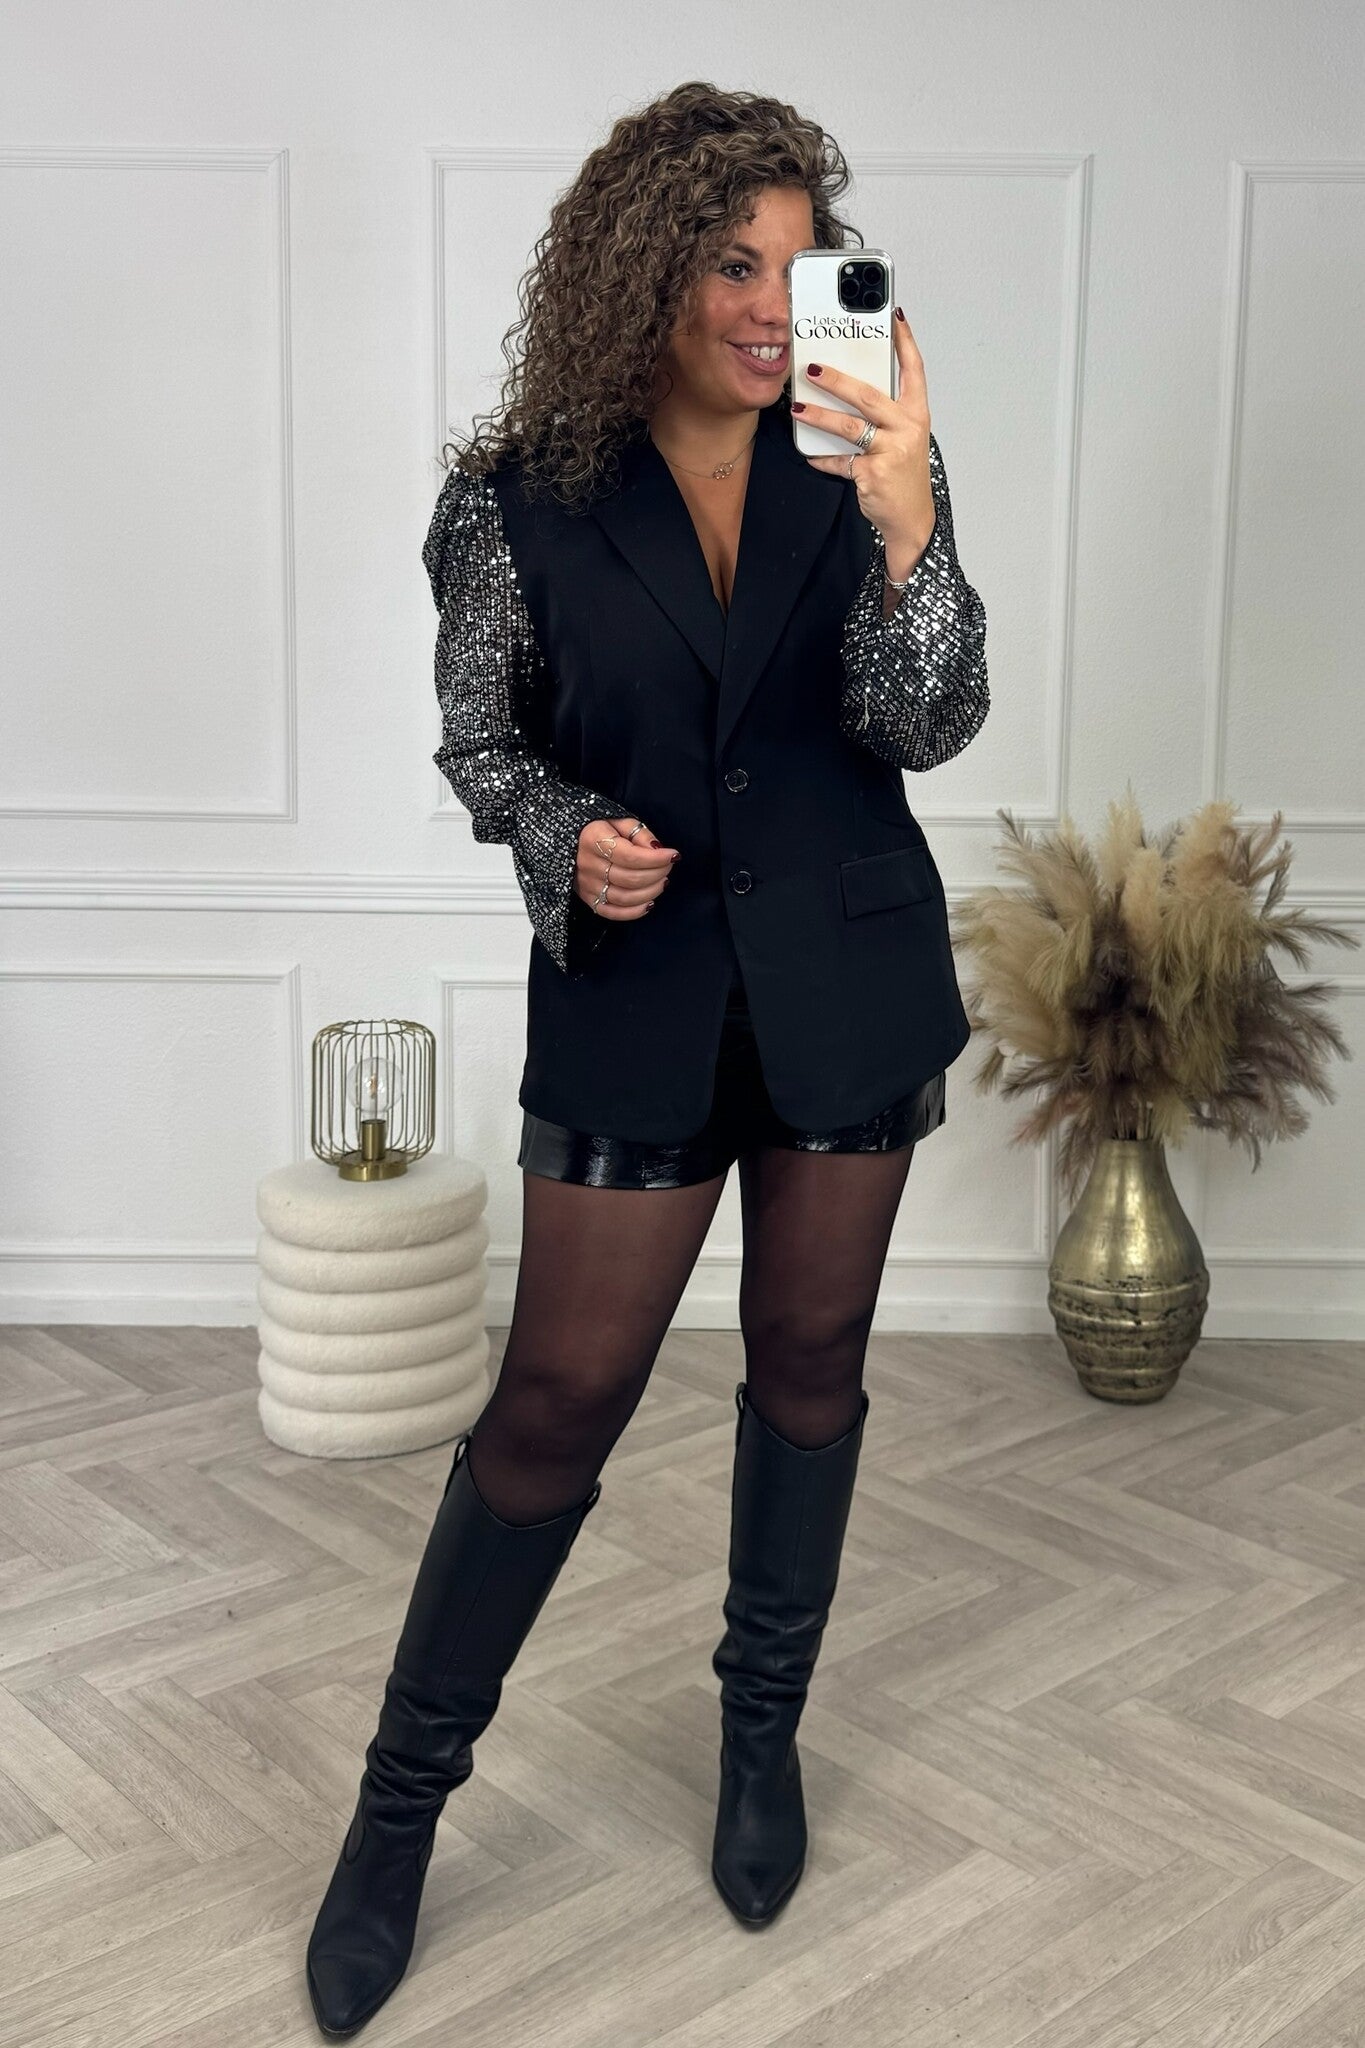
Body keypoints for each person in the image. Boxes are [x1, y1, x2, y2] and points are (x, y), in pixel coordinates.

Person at [305, 79, 989, 2039]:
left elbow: (925, 720)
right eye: (730, 264)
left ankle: (758, 1738)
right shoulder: (510, 499)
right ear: (643, 270)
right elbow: (483, 741)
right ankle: (394, 1819)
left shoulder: (861, 451)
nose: (773, 307)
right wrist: (559, 834)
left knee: (810, 1363)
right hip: (638, 989)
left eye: (799, 265)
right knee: (555, 1399)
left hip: (849, 980)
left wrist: (907, 518)